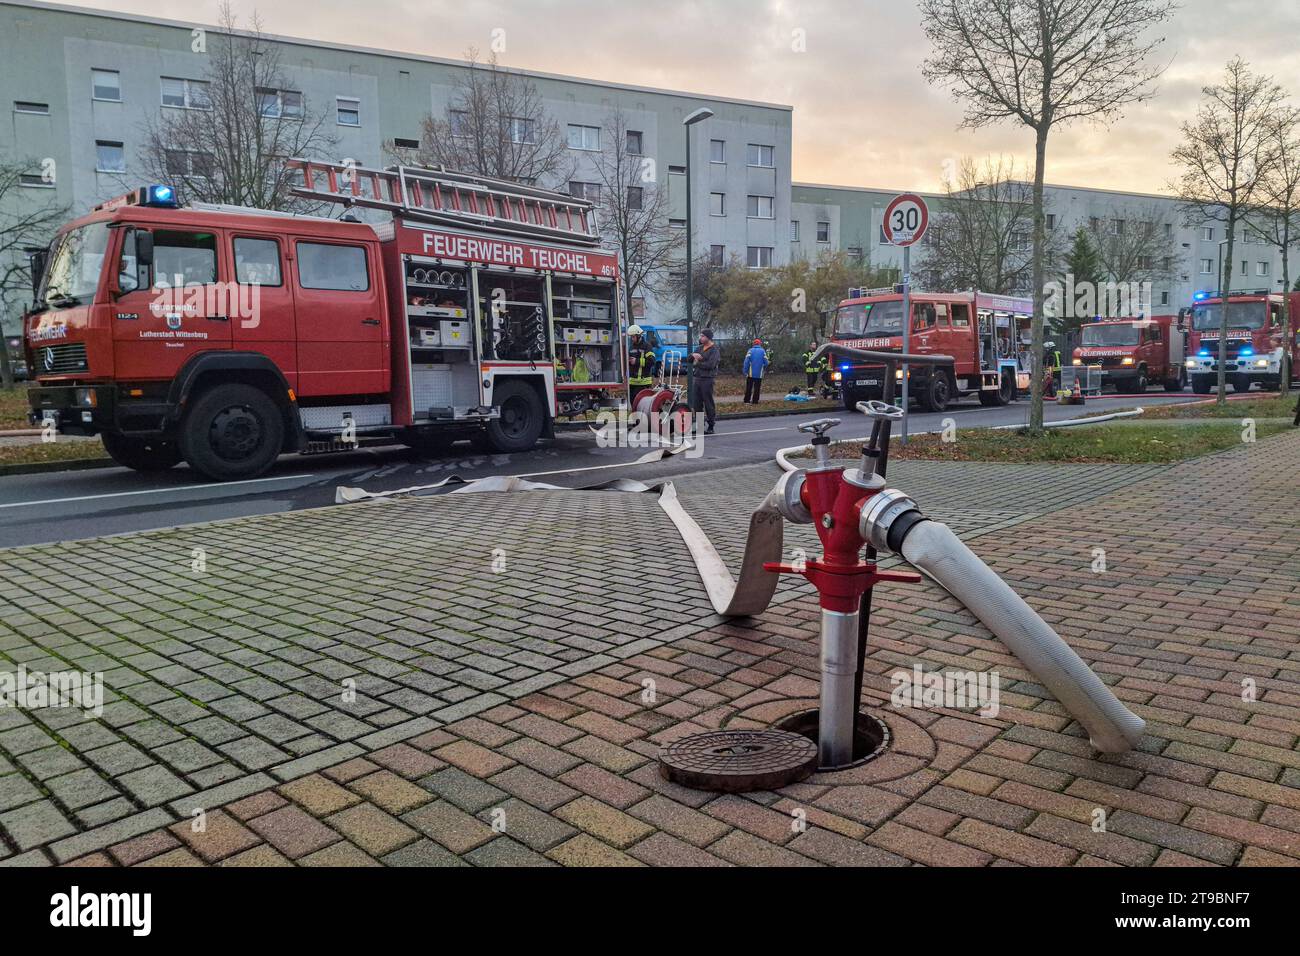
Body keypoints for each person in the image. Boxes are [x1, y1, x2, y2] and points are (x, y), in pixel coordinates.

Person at [688, 328, 720, 435]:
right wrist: (693, 356)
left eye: (702, 336)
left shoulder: (714, 349)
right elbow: (689, 359)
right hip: (697, 378)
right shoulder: (699, 348)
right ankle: (700, 426)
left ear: (708, 337)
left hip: (707, 379)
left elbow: (711, 365)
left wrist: (698, 362)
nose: (700, 338)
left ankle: (711, 425)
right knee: (697, 404)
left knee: (708, 403)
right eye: (700, 336)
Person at [625, 325, 658, 408]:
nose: (632, 339)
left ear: (639, 336)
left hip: (643, 383)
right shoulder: (631, 347)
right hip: (632, 382)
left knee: (643, 406)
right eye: (631, 337)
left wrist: (636, 361)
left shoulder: (647, 347)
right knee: (634, 405)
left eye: (633, 337)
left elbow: (652, 361)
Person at [742, 338, 769, 403]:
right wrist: (763, 367)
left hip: (750, 374)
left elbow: (746, 362)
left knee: (749, 387)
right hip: (759, 374)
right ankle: (755, 401)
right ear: (760, 344)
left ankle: (747, 401)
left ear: (753, 344)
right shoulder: (763, 351)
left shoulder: (750, 351)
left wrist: (745, 371)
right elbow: (766, 362)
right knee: (757, 388)